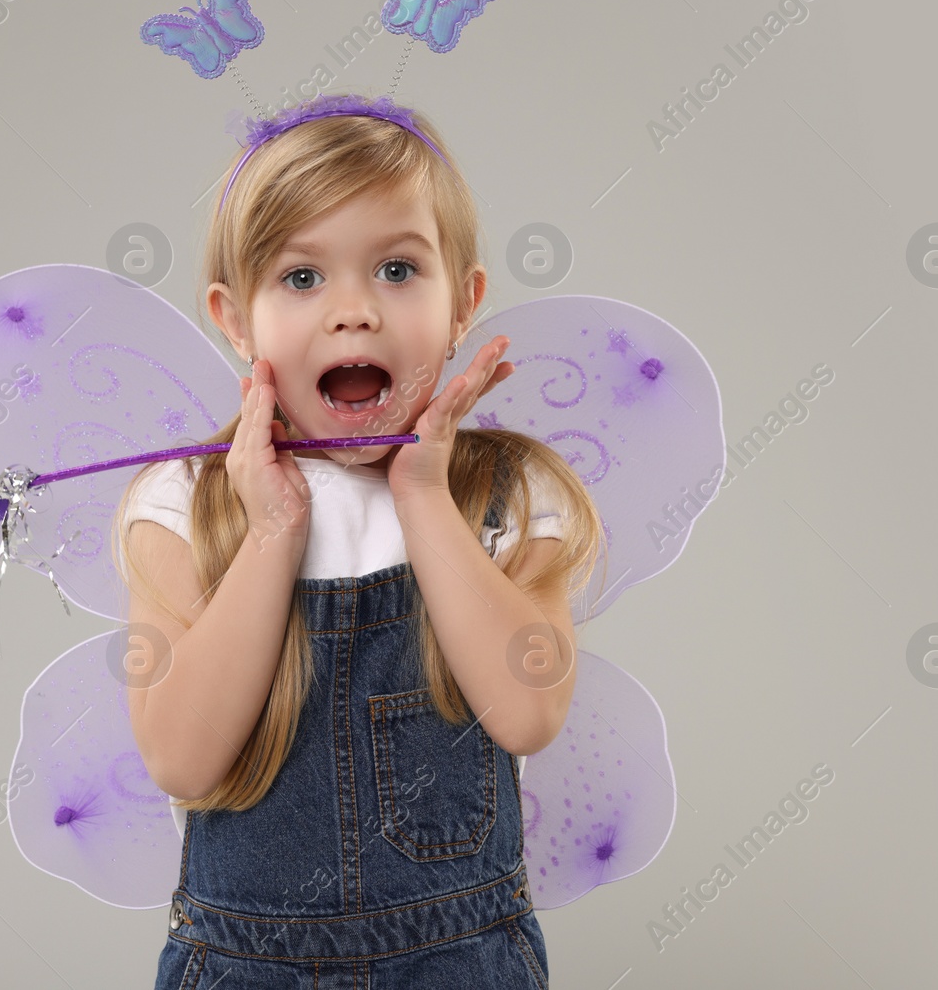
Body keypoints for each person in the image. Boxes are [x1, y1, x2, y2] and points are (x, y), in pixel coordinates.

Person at [115, 96, 605, 989]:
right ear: (235, 319)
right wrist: (272, 529)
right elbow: (180, 758)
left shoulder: (502, 498)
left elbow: (528, 712)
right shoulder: (187, 502)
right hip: (244, 967)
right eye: (302, 278)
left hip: (461, 962)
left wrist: (424, 498)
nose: (353, 312)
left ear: (464, 302)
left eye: (396, 269)